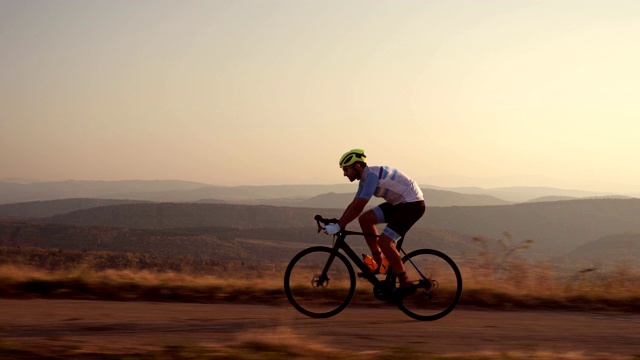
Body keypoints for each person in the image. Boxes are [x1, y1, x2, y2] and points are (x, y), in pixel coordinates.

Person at [323, 149, 426, 302]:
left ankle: (405, 284)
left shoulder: (371, 177)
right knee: (365, 219)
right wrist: (339, 222)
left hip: (412, 204)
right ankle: (379, 263)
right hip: (399, 203)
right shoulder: (364, 179)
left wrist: (338, 227)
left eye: (346, 169)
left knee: (385, 242)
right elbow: (355, 204)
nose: (345, 173)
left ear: (357, 166)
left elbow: (359, 206)